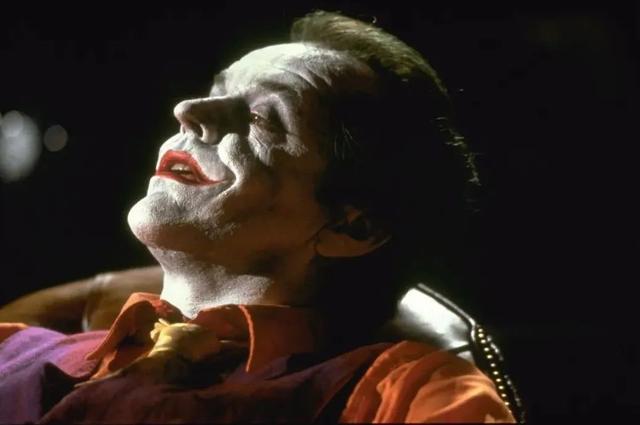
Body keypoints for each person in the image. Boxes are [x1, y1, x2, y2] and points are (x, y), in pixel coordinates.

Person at [0, 11, 515, 423]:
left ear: (351, 227)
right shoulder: (14, 347)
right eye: (216, 91)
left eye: (264, 117)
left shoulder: (404, 393)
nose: (188, 110)